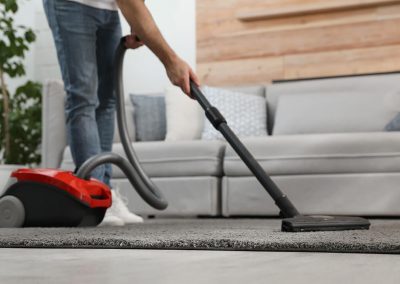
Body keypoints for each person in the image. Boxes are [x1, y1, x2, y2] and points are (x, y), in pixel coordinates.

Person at [43, 0, 200, 226]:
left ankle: (105, 193)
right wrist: (171, 61)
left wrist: (137, 23)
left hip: (108, 8)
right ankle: (94, 196)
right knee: (83, 98)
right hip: (71, 4)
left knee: (108, 100)